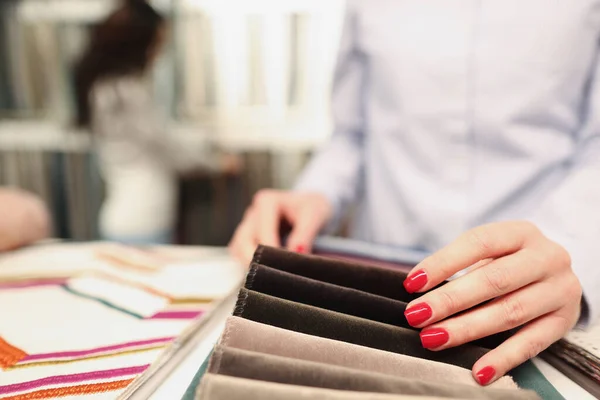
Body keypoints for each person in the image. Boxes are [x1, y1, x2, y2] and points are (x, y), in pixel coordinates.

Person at [229, 1, 600, 385]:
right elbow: (353, 134)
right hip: (384, 285)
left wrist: (569, 251)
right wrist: (315, 195)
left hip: (538, 295)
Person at [74, 0, 238, 244]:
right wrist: (218, 163)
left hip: (122, 216)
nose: (158, 54)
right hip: (145, 219)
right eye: (157, 44)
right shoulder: (127, 93)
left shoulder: (101, 89)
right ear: (138, 44)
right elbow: (169, 148)